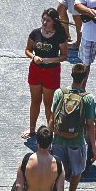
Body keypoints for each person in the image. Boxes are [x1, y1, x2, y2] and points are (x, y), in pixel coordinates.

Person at [51, 64, 96, 191]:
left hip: (58, 140)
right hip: (76, 142)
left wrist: (49, 140)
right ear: (85, 77)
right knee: (77, 172)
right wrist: (94, 148)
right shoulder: (88, 98)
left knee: (58, 173)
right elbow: (90, 125)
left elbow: (52, 118)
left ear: (71, 75)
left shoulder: (59, 93)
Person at [22, 8, 69, 139]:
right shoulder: (35, 33)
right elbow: (27, 50)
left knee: (49, 103)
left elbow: (64, 56)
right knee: (35, 101)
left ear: (54, 21)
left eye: (48, 20)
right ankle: (32, 129)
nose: (44, 22)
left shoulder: (60, 36)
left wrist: (52, 60)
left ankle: (49, 131)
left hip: (52, 72)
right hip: (35, 71)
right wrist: (33, 57)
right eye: (43, 19)